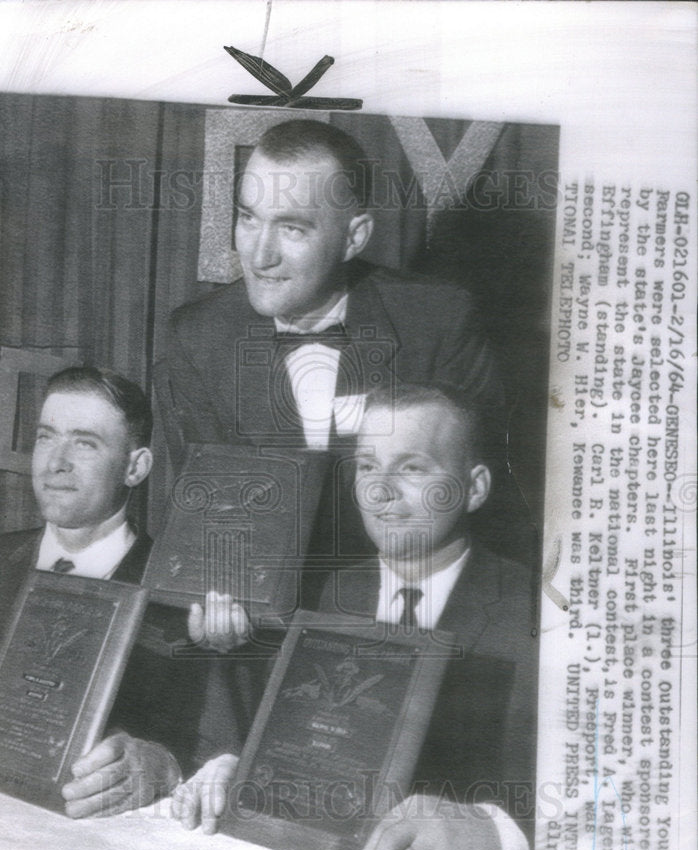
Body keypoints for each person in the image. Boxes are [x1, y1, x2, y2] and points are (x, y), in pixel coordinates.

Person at [172, 383, 538, 850]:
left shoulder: (545, 616)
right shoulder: (318, 594)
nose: (380, 491)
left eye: (411, 467)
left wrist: (497, 835)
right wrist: (242, 766)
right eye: (368, 466)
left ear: (474, 488)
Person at [155, 119, 505, 599]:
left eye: (292, 228)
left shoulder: (437, 322)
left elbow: (481, 506)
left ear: (354, 237)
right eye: (248, 218)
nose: (259, 256)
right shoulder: (198, 337)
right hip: (265, 613)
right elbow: (211, 518)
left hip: (403, 602)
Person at [0, 365, 258, 816]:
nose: (55, 462)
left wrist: (164, 765)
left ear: (136, 467)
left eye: (84, 442)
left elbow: (225, 749)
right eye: (45, 437)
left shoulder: (189, 599)